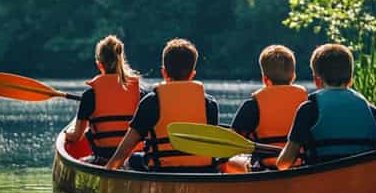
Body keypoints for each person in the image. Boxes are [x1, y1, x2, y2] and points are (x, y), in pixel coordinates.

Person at [105, 38, 219, 171]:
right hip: (202, 173)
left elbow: (125, 149)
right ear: (192, 74)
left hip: (163, 172)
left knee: (133, 159)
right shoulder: (210, 104)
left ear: (164, 73)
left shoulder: (151, 102)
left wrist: (108, 169)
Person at [275, 43, 376, 170]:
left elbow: (283, 164)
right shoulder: (370, 109)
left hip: (321, 182)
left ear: (317, 80)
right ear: (351, 79)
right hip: (363, 181)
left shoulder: (309, 109)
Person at [65, 35, 143, 164]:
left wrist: (67, 134)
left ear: (99, 64)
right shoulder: (141, 93)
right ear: (121, 61)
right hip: (132, 161)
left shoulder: (89, 96)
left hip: (102, 160)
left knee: (84, 160)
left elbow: (76, 137)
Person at [231, 44, 309, 168]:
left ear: (265, 79)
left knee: (231, 163)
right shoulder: (307, 103)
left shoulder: (252, 105)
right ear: (294, 76)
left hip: (264, 167)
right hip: (300, 165)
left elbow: (233, 141)